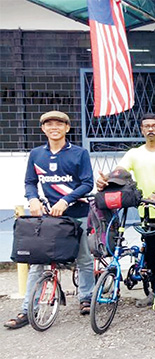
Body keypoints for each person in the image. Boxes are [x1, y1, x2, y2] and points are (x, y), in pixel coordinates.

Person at [5, 111, 94, 329]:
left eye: (59, 124)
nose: (54, 127)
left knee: (83, 259)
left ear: (67, 128)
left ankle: (87, 298)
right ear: (43, 129)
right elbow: (30, 181)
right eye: (49, 124)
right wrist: (33, 198)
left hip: (76, 214)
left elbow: (87, 183)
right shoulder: (36, 154)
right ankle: (28, 310)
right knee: (38, 263)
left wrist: (66, 200)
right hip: (47, 216)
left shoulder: (79, 153)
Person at [96, 113, 155, 307]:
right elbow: (121, 172)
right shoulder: (134, 153)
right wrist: (106, 180)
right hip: (146, 210)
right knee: (151, 252)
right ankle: (154, 291)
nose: (150, 129)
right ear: (142, 130)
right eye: (146, 126)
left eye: (154, 125)